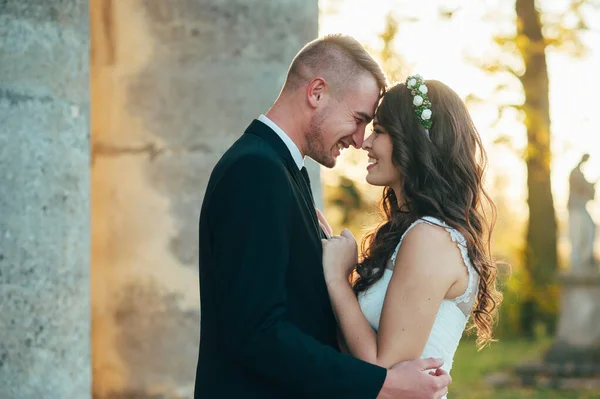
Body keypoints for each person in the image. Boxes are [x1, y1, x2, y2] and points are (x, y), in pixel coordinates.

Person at [195, 36, 451, 398]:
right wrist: (386, 384)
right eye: (359, 119)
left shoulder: (283, 170)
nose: (360, 139)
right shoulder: (256, 170)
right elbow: (258, 332)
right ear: (316, 92)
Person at [322, 76, 503, 397]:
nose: (364, 142)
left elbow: (381, 372)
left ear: (413, 142)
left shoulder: (431, 238)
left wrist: (337, 279)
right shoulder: (412, 232)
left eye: (378, 131)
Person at [568, 153, 597, 270]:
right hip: (575, 209)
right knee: (577, 235)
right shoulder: (575, 173)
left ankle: (586, 259)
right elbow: (583, 186)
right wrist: (590, 186)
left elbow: (588, 191)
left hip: (581, 208)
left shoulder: (580, 174)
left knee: (591, 228)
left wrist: (591, 186)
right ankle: (577, 262)